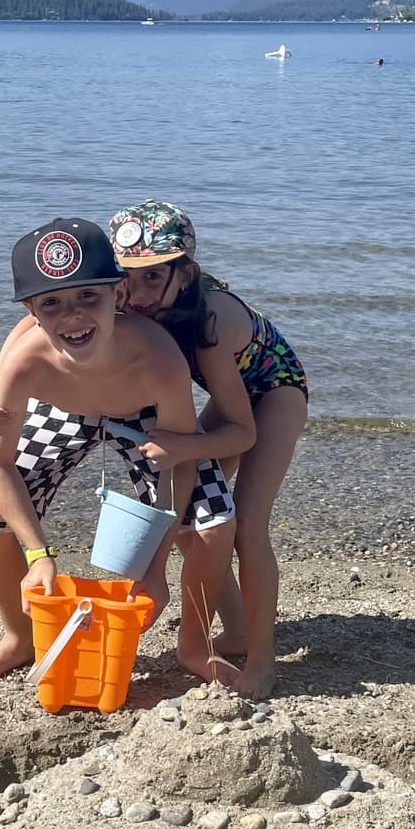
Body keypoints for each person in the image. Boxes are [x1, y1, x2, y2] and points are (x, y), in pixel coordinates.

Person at [0, 218, 239, 686]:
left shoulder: (159, 359)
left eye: (88, 297)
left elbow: (181, 463)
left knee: (213, 521)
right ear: (32, 310)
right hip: (66, 410)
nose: (73, 317)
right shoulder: (21, 365)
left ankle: (193, 645)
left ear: (117, 294)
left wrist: (155, 569)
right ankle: (19, 635)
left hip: (143, 415)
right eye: (52, 304)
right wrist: (38, 556)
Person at [108, 201, 307, 698]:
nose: (136, 294)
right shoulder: (134, 299)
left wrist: (185, 444)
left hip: (275, 391)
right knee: (195, 515)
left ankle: (262, 659)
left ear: (186, 273)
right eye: (127, 277)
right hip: (231, 394)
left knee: (247, 527)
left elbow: (244, 432)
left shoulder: (208, 322)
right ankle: (235, 628)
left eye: (153, 278)